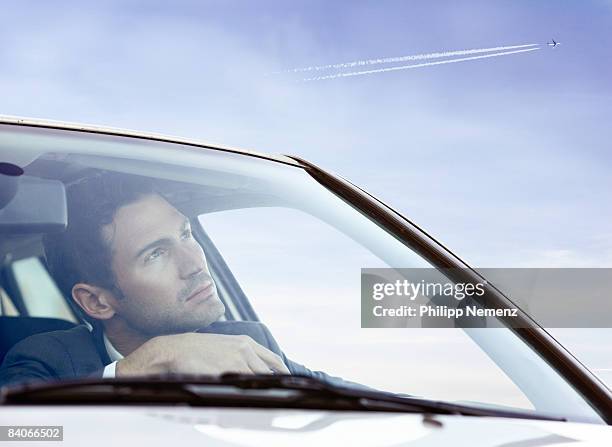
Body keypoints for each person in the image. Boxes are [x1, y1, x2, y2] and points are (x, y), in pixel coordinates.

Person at [0, 172, 332, 386]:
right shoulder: (44, 360)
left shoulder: (247, 342)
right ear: (97, 301)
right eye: (156, 253)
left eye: (186, 234)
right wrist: (151, 361)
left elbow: (348, 398)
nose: (195, 264)